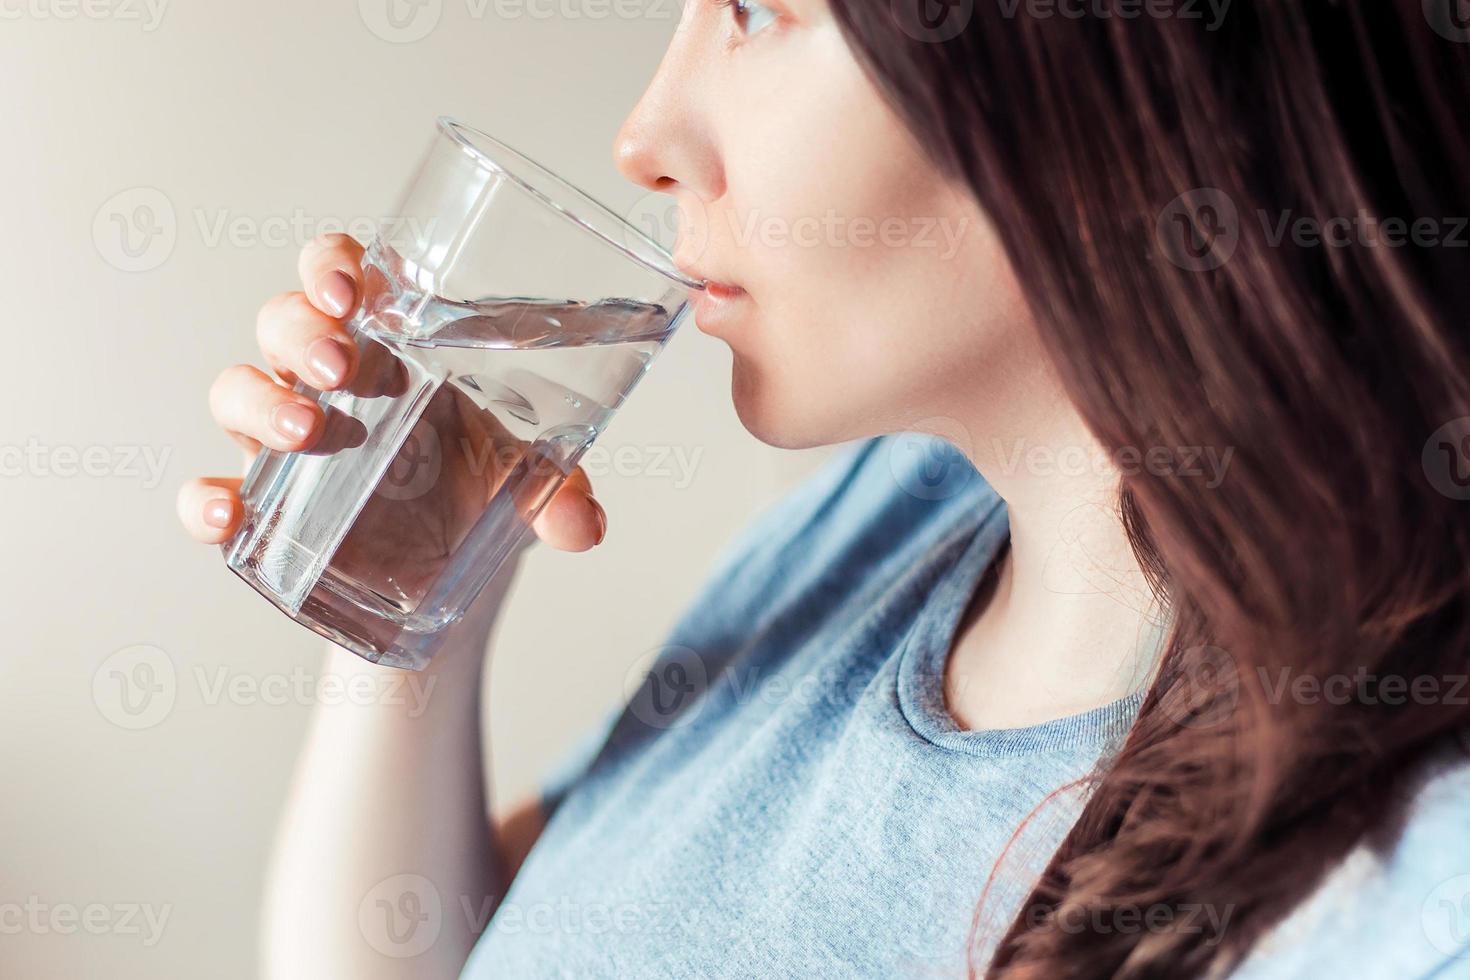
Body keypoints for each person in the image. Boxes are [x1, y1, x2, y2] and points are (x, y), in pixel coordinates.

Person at [176, 0, 1470, 976]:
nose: (646, 136)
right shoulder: (886, 519)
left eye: (754, 8)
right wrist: (414, 615)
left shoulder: (1414, 890)